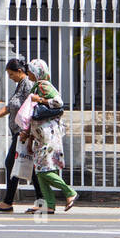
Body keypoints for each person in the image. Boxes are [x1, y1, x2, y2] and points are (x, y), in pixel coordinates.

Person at [21, 58, 77, 213]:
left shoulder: (44, 85)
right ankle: (50, 205)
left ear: (37, 72)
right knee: (39, 170)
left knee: (44, 170)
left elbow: (58, 103)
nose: (29, 73)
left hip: (48, 134)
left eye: (31, 70)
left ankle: (69, 193)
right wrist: (28, 135)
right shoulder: (36, 86)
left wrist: (38, 99)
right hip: (40, 135)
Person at [0, 55, 34, 212]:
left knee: (13, 164)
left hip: (23, 133)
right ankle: (39, 201)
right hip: (18, 134)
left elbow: (33, 108)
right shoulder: (19, 85)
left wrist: (28, 132)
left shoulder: (28, 85)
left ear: (19, 71)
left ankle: (8, 202)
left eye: (11, 74)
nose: (10, 78)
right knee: (24, 166)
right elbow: (10, 107)